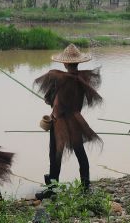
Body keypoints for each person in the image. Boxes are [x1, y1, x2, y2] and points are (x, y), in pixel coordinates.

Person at [34, 44, 102, 198]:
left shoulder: (59, 78)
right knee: (80, 152)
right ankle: (85, 186)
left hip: (61, 121)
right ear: (78, 63)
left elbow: (54, 103)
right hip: (77, 120)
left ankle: (52, 189)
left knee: (55, 155)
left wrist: (53, 115)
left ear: (64, 63)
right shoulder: (82, 78)